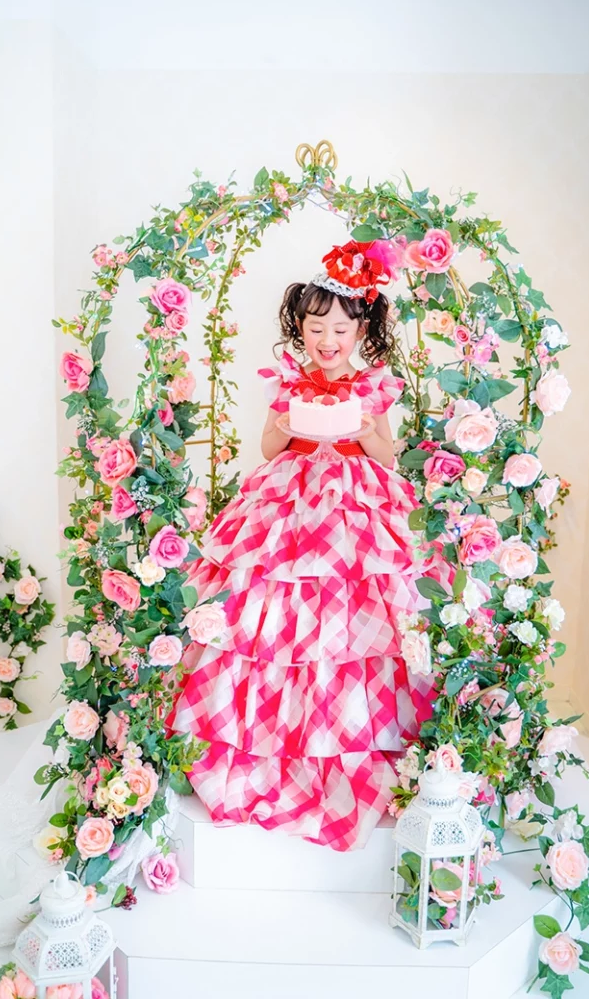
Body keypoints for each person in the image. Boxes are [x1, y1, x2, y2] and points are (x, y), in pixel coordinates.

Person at [166, 238, 438, 851]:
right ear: (300, 329)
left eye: (340, 328)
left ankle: (353, 742)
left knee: (353, 606)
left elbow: (387, 455)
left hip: (354, 501)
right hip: (290, 497)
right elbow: (268, 448)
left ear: (361, 329)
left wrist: (364, 429)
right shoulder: (289, 381)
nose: (327, 339)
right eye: (316, 328)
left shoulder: (370, 386)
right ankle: (270, 738)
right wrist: (286, 426)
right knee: (274, 606)